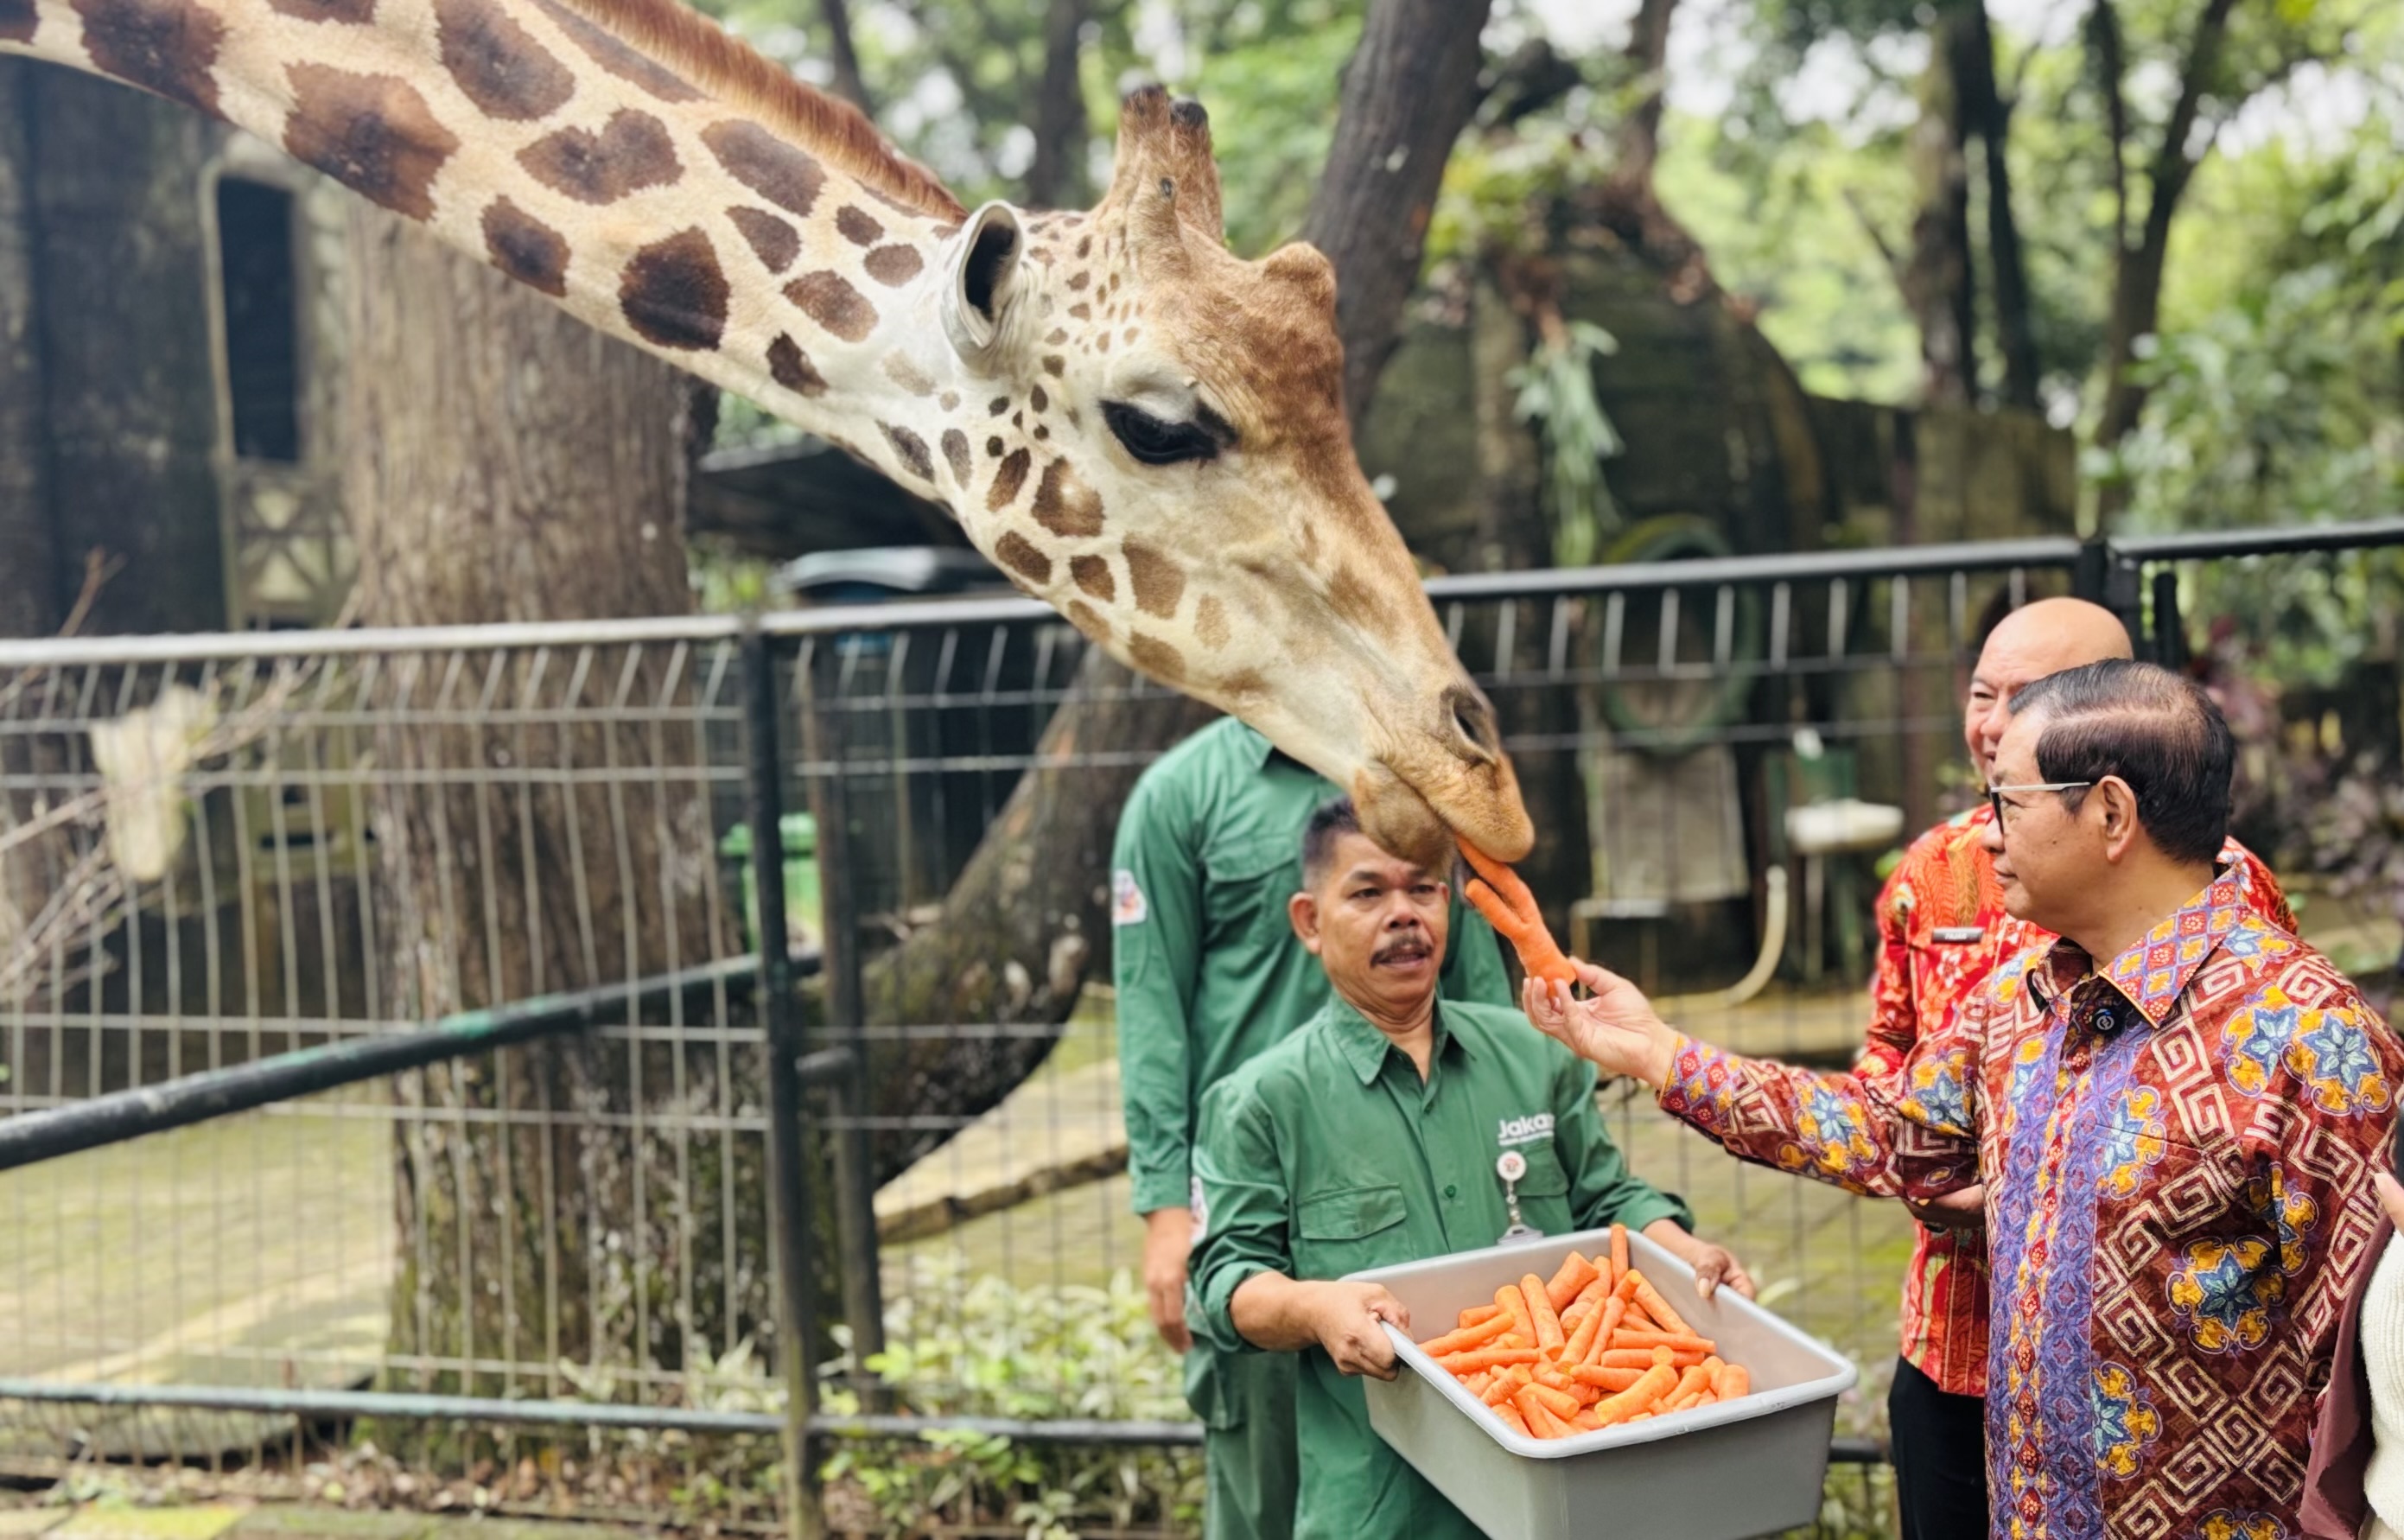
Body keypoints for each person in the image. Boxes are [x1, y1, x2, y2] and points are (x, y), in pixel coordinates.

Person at [1528, 659, 2403, 1537]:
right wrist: (1658, 1054)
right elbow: (1879, 1132)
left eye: (2005, 805)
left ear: (2108, 815)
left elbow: (2373, 1371)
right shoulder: (2023, 1000)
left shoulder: (2306, 1041)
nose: (1983, 839)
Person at [1790, 598, 2295, 1537]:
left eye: (2027, 697)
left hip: (2132, 1374)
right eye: (1983, 693)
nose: (1993, 722)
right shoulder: (1933, 872)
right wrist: (1924, 1155)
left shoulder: (2228, 902)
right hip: (1953, 1337)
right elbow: (1886, 1060)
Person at [1186, 796, 1752, 1540]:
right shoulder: (1261, 1101)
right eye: (1367, 892)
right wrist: (1319, 1310)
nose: (1403, 914)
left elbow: (1607, 1195)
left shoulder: (1535, 1054)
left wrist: (1687, 1255)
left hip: (1562, 1488)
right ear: (1309, 921)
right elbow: (1227, 1281)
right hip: (1384, 1504)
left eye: (1423, 889)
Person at [1111, 717, 1513, 1540]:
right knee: (1263, 1476)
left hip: (1413, 1173)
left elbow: (1478, 992)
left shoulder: (1421, 778)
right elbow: (1150, 1011)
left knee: (1453, 1465)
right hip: (1252, 1185)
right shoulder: (1181, 795)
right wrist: (1165, 1213)